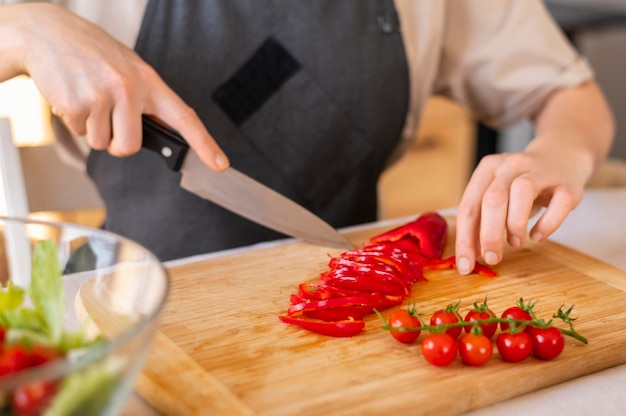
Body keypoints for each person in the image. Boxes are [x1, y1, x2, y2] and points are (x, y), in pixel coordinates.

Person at [0, 1, 614, 274]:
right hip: (136, 311)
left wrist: (556, 153)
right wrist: (25, 27)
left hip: (354, 303)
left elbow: (570, 94)